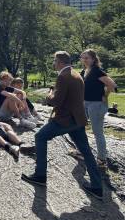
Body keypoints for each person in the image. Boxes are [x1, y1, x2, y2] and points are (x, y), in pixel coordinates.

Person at [21, 51, 103, 200]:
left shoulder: (63, 76)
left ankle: (40, 175)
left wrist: (49, 95)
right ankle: (97, 187)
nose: (53, 63)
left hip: (65, 119)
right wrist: (55, 91)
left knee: (40, 137)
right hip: (78, 119)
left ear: (60, 62)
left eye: (54, 60)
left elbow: (56, 101)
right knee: (86, 152)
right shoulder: (76, 74)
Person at [80, 49, 117, 168]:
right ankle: (82, 151)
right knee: (79, 127)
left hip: (96, 105)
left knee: (97, 132)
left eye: (87, 58)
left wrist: (105, 96)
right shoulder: (84, 71)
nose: (84, 60)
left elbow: (112, 85)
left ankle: (102, 159)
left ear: (93, 59)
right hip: (85, 103)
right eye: (83, 57)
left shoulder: (97, 71)